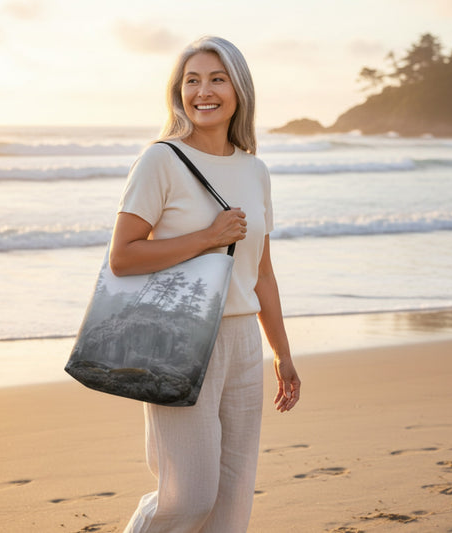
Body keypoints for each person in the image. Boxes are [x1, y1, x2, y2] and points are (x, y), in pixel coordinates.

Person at [110, 35, 301, 533]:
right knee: (188, 496)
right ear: (178, 92)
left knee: (233, 498)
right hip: (178, 334)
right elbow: (123, 256)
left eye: (217, 78)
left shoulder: (254, 170)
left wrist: (281, 353)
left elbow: (262, 273)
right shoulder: (160, 160)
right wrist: (208, 237)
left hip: (241, 342)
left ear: (239, 89)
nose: (203, 91)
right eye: (191, 80)